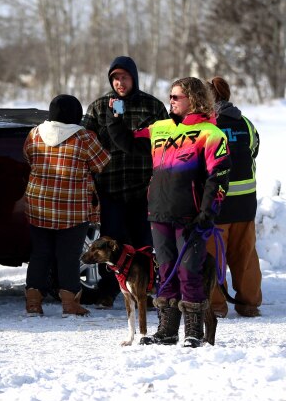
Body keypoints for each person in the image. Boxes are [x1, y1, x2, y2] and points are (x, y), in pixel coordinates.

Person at [107, 77, 230, 347]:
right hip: (159, 212)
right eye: (170, 96)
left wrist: (208, 212)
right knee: (165, 272)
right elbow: (127, 143)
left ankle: (193, 333)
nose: (170, 101)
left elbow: (218, 178)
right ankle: (167, 330)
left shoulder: (211, 133)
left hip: (191, 215)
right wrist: (115, 118)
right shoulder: (159, 128)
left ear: (194, 100)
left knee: (190, 272)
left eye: (176, 97)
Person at [82, 56, 168, 307]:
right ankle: (109, 291)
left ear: (134, 78)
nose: (120, 82)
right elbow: (86, 139)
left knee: (144, 243)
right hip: (110, 185)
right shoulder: (100, 106)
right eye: (115, 78)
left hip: (144, 186)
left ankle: (148, 292)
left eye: (124, 77)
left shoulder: (152, 107)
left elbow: (165, 142)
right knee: (112, 242)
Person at [23, 94, 111, 316]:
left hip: (38, 205)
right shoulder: (84, 137)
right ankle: (70, 304)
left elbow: (28, 157)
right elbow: (102, 163)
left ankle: (33, 303)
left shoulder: (34, 134)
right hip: (72, 209)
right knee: (68, 256)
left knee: (40, 254)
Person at [207, 76, 262, 317]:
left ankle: (216, 306)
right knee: (246, 256)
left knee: (213, 257)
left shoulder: (206, 126)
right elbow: (255, 151)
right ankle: (249, 304)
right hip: (246, 202)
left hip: (217, 202)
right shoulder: (246, 123)